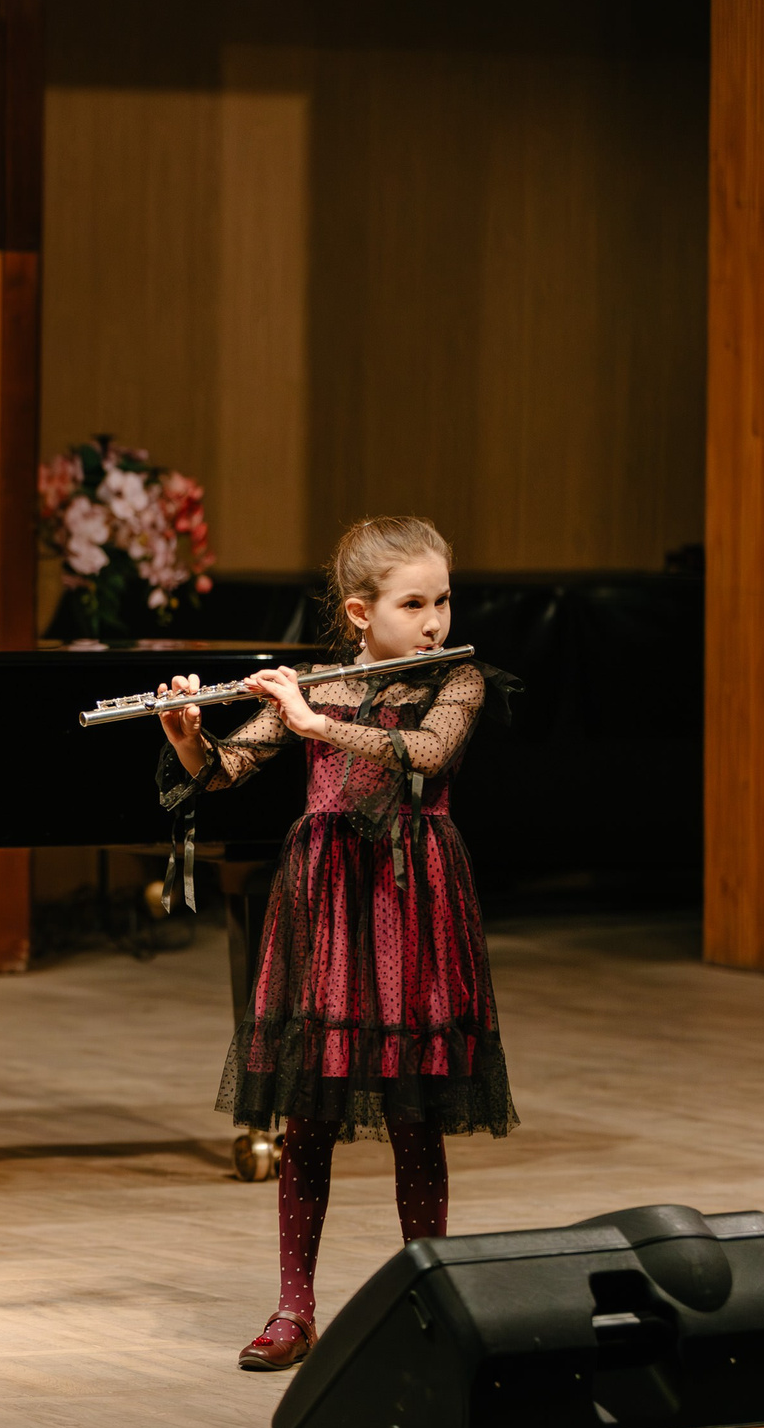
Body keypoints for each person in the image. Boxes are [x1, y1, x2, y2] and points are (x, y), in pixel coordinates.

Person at [155, 515, 516, 1371]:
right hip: (327, 902)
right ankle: (293, 1309)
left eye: (442, 600)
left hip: (410, 897)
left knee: (413, 1112)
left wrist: (314, 724)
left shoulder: (455, 680)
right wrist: (187, 733)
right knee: (308, 1112)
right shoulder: (318, 684)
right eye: (413, 603)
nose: (435, 620)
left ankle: (430, 1306)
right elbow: (225, 770)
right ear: (360, 612)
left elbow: (425, 752)